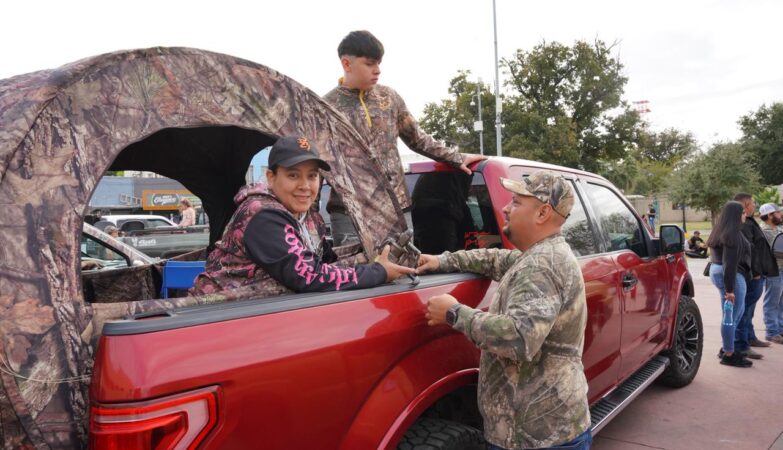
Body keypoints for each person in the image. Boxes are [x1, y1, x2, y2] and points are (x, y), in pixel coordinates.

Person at [418, 170, 591, 450]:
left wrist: (453, 313)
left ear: (543, 213)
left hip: (538, 438)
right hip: (542, 431)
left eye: (516, 202)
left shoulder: (542, 265)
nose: (505, 208)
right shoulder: (539, 256)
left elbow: (520, 339)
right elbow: (497, 259)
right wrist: (443, 260)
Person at [191, 136, 414, 296]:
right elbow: (309, 276)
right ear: (271, 177)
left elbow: (328, 263)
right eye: (293, 175)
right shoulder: (262, 215)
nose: (305, 186)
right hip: (219, 316)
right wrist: (379, 273)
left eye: (312, 176)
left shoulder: (309, 217)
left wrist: (382, 258)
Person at [323, 30, 486, 245]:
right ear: (347, 63)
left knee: (405, 272)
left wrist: (455, 158)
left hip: (396, 209)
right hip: (349, 212)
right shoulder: (326, 108)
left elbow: (418, 139)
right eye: (370, 64)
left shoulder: (389, 98)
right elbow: (316, 164)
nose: (378, 70)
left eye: (379, 63)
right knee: (354, 276)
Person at [708, 201, 753, 367]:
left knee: (732, 314)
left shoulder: (720, 230)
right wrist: (730, 289)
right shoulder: (732, 234)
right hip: (731, 276)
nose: (745, 215)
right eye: (742, 212)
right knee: (732, 316)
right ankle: (728, 353)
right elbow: (730, 263)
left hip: (719, 271)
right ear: (735, 215)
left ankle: (727, 347)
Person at [733, 193, 777, 356]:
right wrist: (756, 272)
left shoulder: (749, 221)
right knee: (744, 310)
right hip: (752, 274)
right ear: (745, 205)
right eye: (753, 203)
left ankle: (750, 337)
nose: (755, 205)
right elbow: (748, 251)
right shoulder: (743, 223)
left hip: (756, 273)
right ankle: (742, 345)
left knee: (749, 309)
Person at [759, 203, 783, 344]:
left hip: (781, 269)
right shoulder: (765, 231)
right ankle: (772, 332)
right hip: (774, 271)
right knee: (772, 302)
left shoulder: (778, 228)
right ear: (769, 215)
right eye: (777, 213)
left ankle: (779, 329)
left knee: (781, 302)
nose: (780, 215)